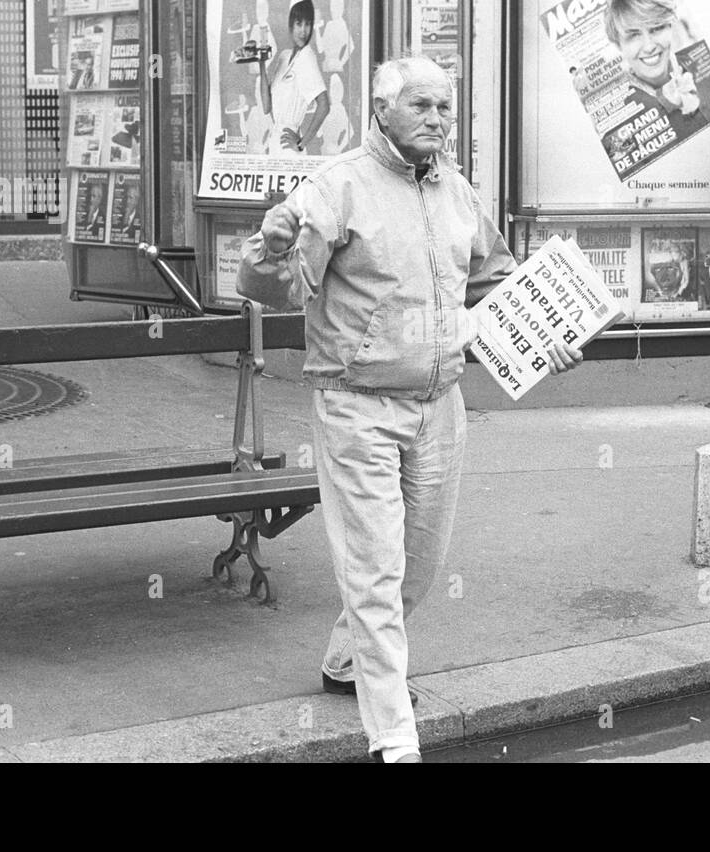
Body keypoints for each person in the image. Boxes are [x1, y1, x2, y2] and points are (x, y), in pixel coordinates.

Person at [236, 56, 583, 762]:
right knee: (374, 571)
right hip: (356, 405)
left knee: (417, 568)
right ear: (381, 109)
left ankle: (344, 664)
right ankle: (394, 740)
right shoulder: (336, 188)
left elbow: (498, 276)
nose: (437, 119)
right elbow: (278, 288)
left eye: (446, 109)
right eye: (422, 106)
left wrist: (548, 334)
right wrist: (266, 251)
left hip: (439, 404)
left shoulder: (457, 193)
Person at [603, 0, 710, 143]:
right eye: (633, 35)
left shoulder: (703, 67)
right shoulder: (619, 124)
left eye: (657, 27)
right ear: (618, 43)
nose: (649, 46)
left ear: (671, 24)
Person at [258, 0, 329, 156]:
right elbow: (266, 107)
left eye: (308, 24)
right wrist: (261, 65)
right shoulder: (284, 56)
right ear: (291, 25)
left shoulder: (307, 57)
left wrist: (301, 143)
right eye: (299, 24)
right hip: (274, 142)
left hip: (289, 148)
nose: (303, 31)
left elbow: (324, 105)